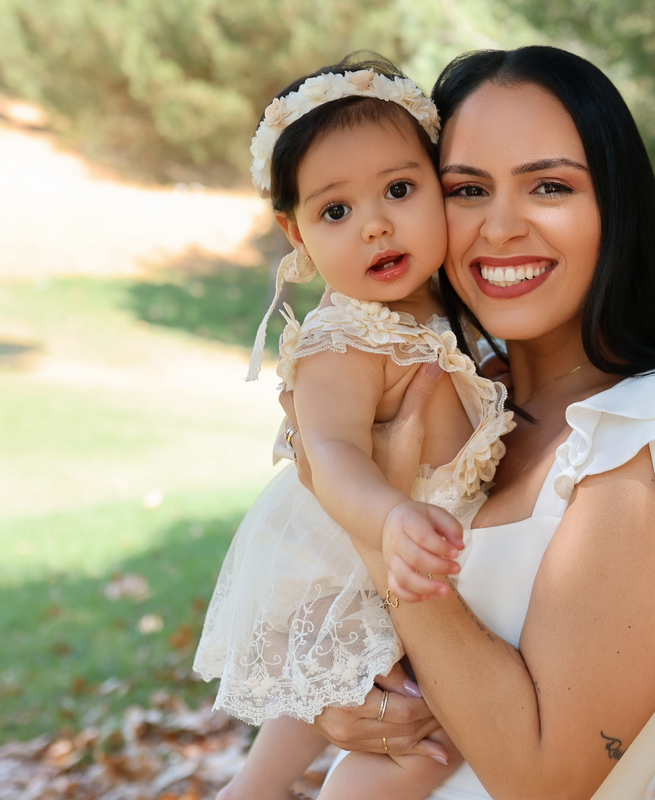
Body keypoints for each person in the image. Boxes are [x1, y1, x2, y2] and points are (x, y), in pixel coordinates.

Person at [281, 46, 655, 799]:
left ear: (616, 208)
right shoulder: (463, 407)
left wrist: (379, 534)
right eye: (466, 190)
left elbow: (545, 782)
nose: (500, 228)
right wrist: (350, 699)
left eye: (550, 186)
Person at [192, 54, 515, 800]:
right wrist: (390, 516)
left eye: (400, 190)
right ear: (295, 233)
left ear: (441, 186)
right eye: (335, 211)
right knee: (416, 736)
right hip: (351, 558)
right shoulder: (347, 340)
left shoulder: (455, 316)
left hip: (414, 561)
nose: (375, 225)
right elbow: (330, 455)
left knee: (398, 721)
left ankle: (254, 788)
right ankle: (255, 788)